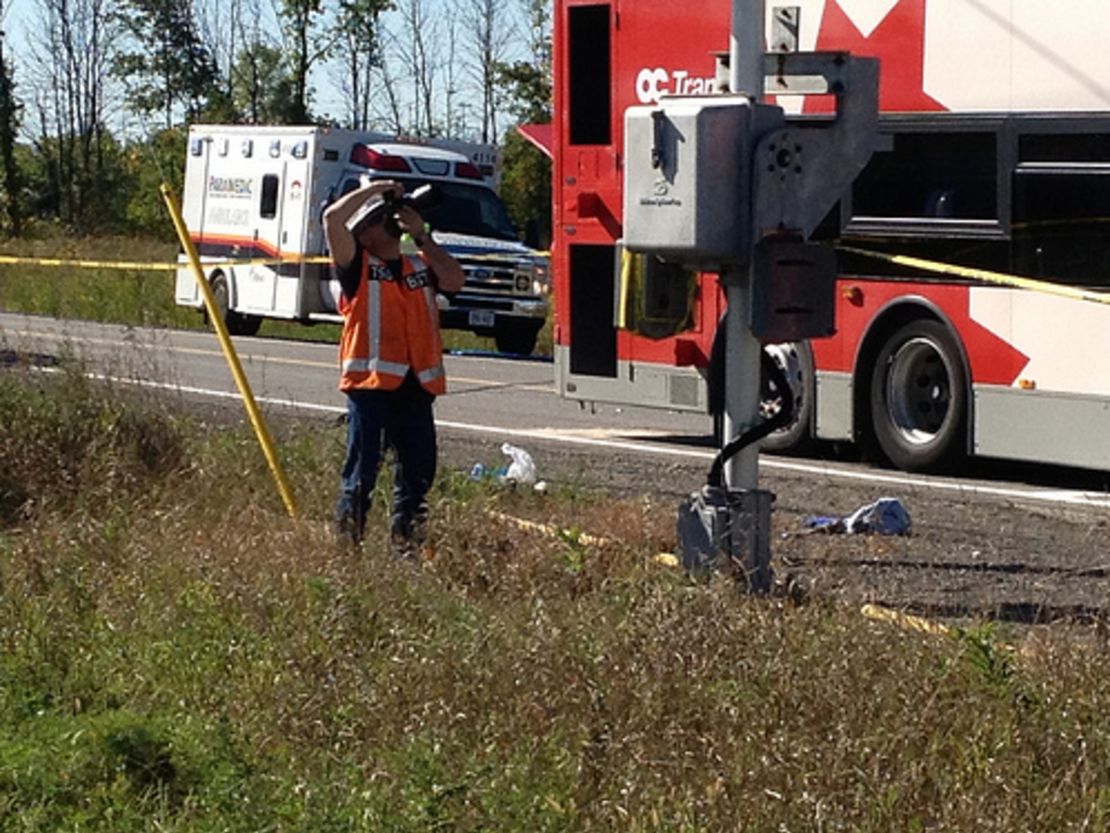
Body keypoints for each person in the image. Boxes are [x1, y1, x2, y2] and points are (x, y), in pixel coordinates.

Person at [323, 178, 465, 556]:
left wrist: (422, 235)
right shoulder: (356, 267)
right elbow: (332, 219)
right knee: (361, 477)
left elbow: (454, 279)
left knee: (417, 476)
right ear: (364, 235)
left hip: (416, 388)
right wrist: (377, 190)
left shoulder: (418, 263)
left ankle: (407, 552)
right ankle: (346, 554)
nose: (386, 222)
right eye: (377, 220)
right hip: (371, 388)